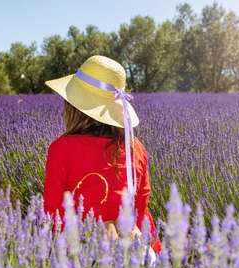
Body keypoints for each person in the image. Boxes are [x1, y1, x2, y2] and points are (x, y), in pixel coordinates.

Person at [43, 55, 162, 254]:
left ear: (73, 107)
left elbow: (53, 215)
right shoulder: (137, 149)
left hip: (81, 256)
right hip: (132, 255)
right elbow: (141, 212)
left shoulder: (61, 149)